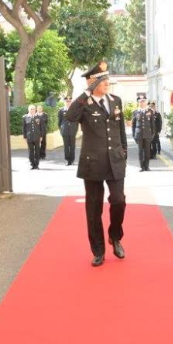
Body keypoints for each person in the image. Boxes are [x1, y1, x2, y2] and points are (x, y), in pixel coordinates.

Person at [66, 60, 128, 267]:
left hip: (115, 160)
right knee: (94, 209)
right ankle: (98, 250)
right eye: (101, 81)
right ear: (92, 83)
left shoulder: (116, 101)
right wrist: (86, 93)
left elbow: (120, 131)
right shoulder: (84, 104)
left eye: (106, 79)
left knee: (118, 200)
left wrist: (123, 153)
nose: (106, 83)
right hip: (93, 163)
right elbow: (70, 116)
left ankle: (115, 236)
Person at [132, 97, 155, 172]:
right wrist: (134, 135)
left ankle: (147, 166)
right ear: (139, 103)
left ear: (146, 102)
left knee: (147, 151)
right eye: (140, 101)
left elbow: (152, 124)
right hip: (139, 134)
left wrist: (153, 134)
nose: (142, 103)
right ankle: (141, 167)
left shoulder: (150, 111)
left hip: (148, 134)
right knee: (140, 151)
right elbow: (133, 125)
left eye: (143, 101)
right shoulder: (136, 112)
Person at [23, 104, 46, 170]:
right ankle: (32, 164)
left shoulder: (39, 117)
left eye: (33, 109)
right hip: (29, 137)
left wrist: (41, 136)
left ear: (35, 110)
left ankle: (37, 165)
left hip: (37, 137)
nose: (32, 110)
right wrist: (25, 137)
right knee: (31, 151)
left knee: (37, 151)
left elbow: (42, 127)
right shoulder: (25, 117)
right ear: (28, 110)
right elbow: (24, 128)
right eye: (31, 109)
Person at [58, 96, 79, 166]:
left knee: (72, 146)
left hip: (72, 130)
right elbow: (59, 122)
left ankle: (72, 160)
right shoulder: (61, 110)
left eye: (69, 101)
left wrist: (75, 130)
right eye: (67, 101)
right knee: (66, 146)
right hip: (65, 131)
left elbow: (77, 121)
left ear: (71, 102)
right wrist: (61, 130)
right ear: (65, 102)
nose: (68, 103)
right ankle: (67, 160)